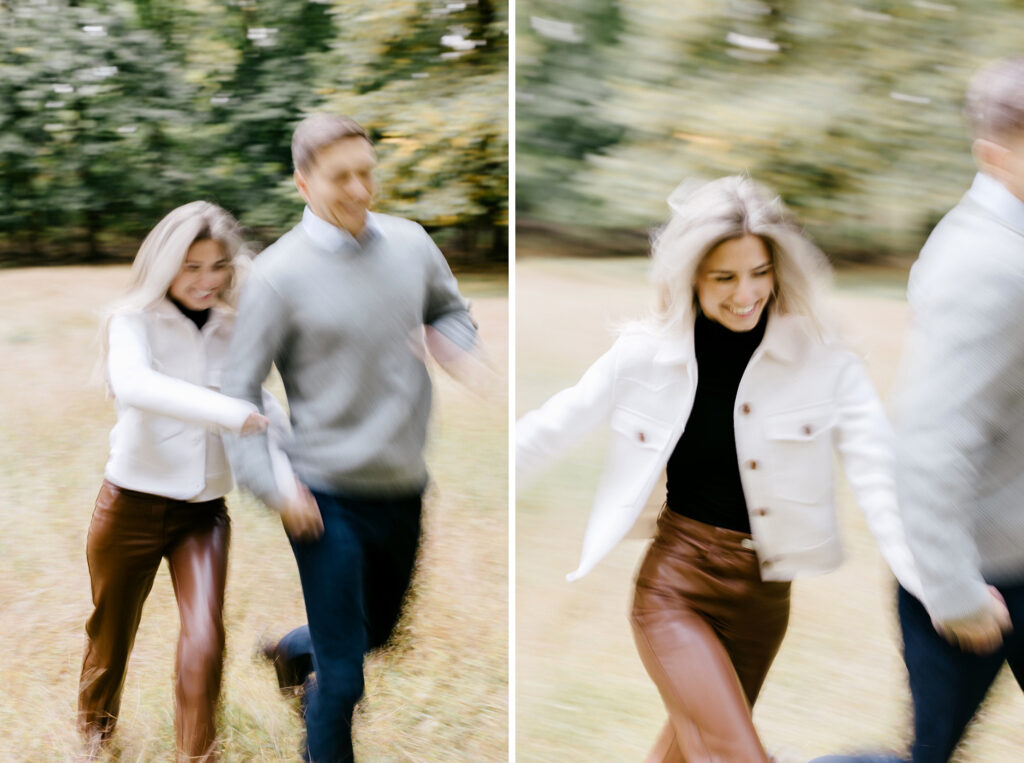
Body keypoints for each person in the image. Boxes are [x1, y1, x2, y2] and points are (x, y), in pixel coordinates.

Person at [516, 175, 924, 762]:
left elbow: (879, 473)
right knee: (737, 756)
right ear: (690, 278)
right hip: (678, 589)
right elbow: (550, 428)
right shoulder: (646, 356)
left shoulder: (823, 360)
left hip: (765, 600)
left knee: (689, 753)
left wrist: (932, 582)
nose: (746, 294)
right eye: (724, 277)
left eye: (760, 273)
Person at [221, 113, 481, 763]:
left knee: (380, 633)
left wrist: (455, 341)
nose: (361, 189)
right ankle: (319, 691)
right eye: (341, 178)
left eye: (367, 172)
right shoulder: (278, 276)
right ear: (303, 183)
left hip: (402, 482)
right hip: (323, 493)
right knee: (344, 680)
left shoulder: (412, 244)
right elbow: (239, 393)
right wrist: (275, 485)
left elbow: (450, 308)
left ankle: (294, 649)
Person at [810, 57, 1024, 763]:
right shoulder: (989, 264)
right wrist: (956, 590)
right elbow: (931, 442)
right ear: (995, 155)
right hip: (984, 574)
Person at [77, 201, 295, 761]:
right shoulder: (134, 320)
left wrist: (292, 471)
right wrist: (228, 412)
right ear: (165, 265)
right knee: (111, 632)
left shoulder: (234, 327)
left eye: (217, 266)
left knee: (205, 635)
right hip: (129, 505)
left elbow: (260, 401)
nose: (206, 280)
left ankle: (198, 754)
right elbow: (135, 386)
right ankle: (94, 738)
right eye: (191, 267)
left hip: (202, 514)